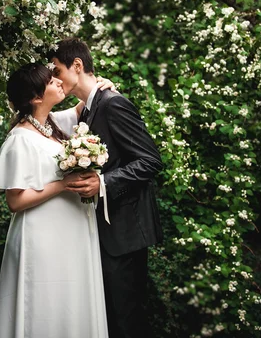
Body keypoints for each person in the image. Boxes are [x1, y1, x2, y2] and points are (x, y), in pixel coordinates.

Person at [0, 63, 115, 338]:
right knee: (45, 302)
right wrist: (62, 185)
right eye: (51, 81)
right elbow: (15, 201)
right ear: (35, 97)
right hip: (42, 237)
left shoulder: (52, 125)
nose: (59, 82)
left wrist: (101, 86)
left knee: (71, 302)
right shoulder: (20, 138)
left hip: (69, 235)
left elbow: (87, 103)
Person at [50, 37, 164, 338]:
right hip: (103, 230)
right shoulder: (87, 110)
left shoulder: (113, 103)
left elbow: (150, 160)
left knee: (128, 321)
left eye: (57, 70)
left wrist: (103, 182)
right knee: (113, 319)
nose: (55, 79)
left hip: (124, 231)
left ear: (77, 66)